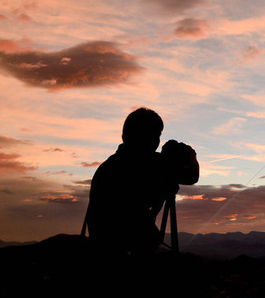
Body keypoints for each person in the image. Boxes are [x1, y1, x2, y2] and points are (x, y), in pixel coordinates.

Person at [84, 107, 199, 257]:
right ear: (149, 137)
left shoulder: (110, 165)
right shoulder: (148, 165)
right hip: (126, 247)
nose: (157, 141)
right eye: (156, 135)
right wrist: (191, 155)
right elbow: (191, 177)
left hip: (102, 245)